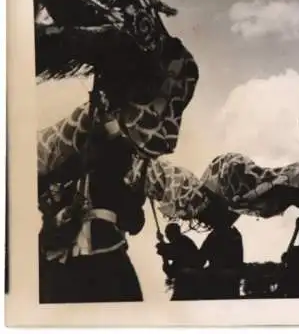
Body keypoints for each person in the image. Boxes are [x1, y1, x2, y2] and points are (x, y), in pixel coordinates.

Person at [39, 110, 146, 303]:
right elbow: (135, 223)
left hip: (70, 271)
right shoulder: (110, 182)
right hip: (102, 269)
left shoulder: (64, 182)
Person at [197, 194, 244, 300]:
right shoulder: (230, 235)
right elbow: (200, 259)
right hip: (221, 285)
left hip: (223, 285)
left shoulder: (230, 236)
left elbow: (200, 259)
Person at [156, 223, 202, 300]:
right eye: (167, 234)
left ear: (176, 232)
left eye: (169, 233)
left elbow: (171, 251)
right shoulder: (180, 243)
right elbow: (169, 271)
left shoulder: (184, 242)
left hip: (190, 281)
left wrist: (162, 243)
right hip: (183, 281)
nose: (168, 236)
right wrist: (162, 243)